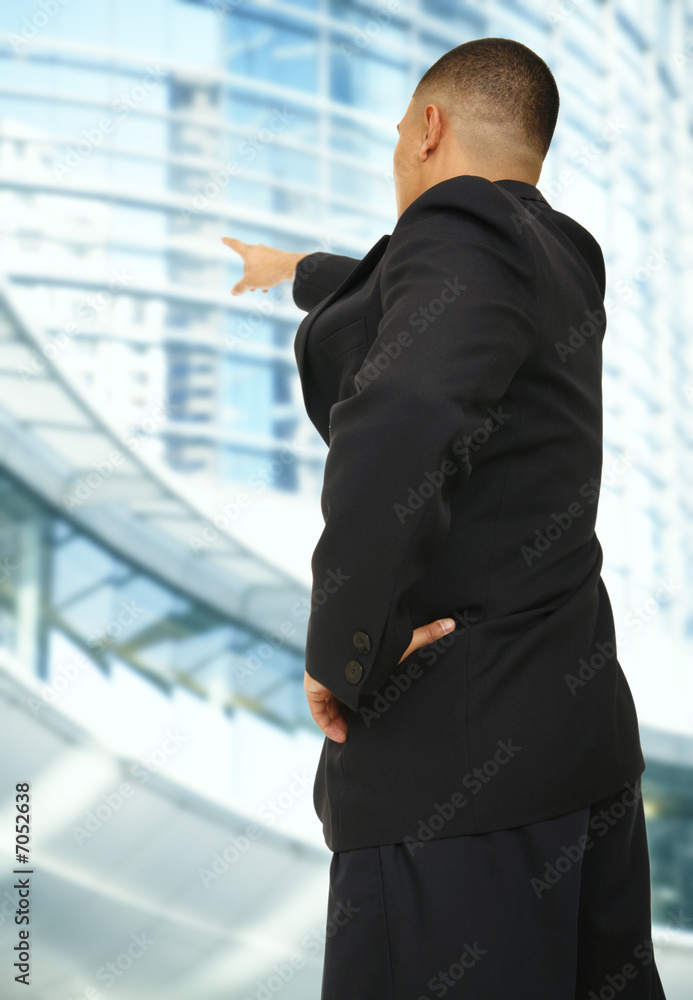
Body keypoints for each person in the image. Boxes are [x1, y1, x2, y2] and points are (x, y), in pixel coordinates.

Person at [223, 35, 667, 1000]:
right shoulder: (564, 253)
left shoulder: (455, 223)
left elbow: (406, 413)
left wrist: (348, 648)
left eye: (396, 135)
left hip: (458, 775)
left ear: (428, 128)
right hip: (577, 752)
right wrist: (295, 269)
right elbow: (424, 299)